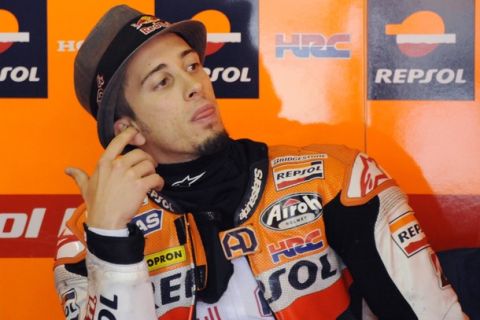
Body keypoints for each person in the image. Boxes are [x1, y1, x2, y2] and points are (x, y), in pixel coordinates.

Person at [54, 4, 468, 320]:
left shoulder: (334, 178)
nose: (195, 86)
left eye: (193, 66)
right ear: (128, 128)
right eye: (163, 82)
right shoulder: (83, 235)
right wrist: (109, 242)